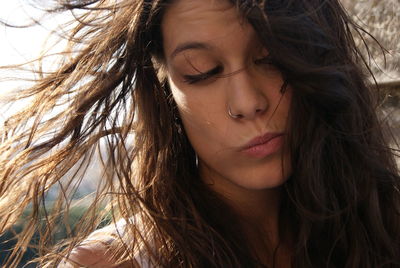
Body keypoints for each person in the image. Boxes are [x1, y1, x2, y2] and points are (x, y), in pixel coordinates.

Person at [0, 0, 399, 267]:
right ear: (166, 91)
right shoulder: (108, 263)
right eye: (202, 71)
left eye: (271, 58)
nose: (247, 102)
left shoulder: (384, 224)